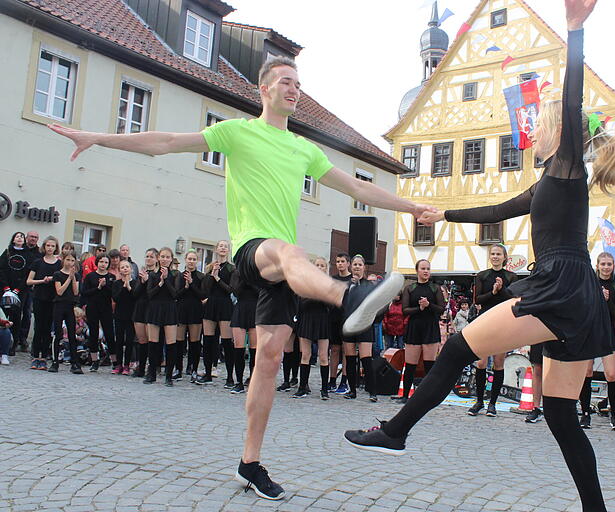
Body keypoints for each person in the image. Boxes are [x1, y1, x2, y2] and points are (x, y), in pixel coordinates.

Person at [49, 53, 430, 499]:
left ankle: (250, 462)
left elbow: (358, 188)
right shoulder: (236, 132)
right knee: (289, 250)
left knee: (268, 360)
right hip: (254, 249)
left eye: (298, 84)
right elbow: (167, 141)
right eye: (285, 82)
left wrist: (413, 208)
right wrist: (96, 137)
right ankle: (349, 299)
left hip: (282, 274)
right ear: (264, 89)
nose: (294, 89)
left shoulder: (305, 149)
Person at [345, 3, 615, 510]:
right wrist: (442, 216)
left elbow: (571, 103)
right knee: (561, 415)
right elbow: (497, 207)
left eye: (538, 126)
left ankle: (396, 430)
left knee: (456, 350)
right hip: (580, 299)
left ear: (557, 135)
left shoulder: (566, 167)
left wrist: (575, 30)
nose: (532, 132)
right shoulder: (547, 183)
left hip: (558, 286)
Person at [577, 252, 615, 430]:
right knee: (587, 372)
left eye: (609, 264)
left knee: (612, 374)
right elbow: (582, 308)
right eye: (603, 264)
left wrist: (606, 300)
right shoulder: (589, 284)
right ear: (597, 266)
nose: (606, 267)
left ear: (613, 266)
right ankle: (585, 414)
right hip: (589, 331)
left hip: (607, 331)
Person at [467, 245, 517, 417]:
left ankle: (493, 403)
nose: (495, 257)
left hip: (503, 321)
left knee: (498, 363)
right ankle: (479, 401)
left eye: (498, 254)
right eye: (493, 254)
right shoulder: (482, 276)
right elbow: (478, 299)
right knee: (480, 362)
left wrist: (501, 290)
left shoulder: (511, 276)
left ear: (504, 257)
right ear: (490, 257)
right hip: (485, 320)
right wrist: (493, 291)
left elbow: (512, 299)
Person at [394, 259, 445, 404]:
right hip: (414, 327)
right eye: (423, 268)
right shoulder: (410, 288)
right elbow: (404, 310)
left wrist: (429, 305)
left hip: (430, 326)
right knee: (410, 364)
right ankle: (405, 395)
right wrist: (420, 308)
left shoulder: (435, 288)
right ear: (417, 270)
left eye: (428, 268)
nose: (426, 271)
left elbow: (441, 309)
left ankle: (428, 396)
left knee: (429, 364)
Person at [342, 255, 379, 402]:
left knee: (366, 358)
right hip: (349, 325)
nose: (357, 267)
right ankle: (352, 390)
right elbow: (342, 304)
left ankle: (372, 391)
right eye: (355, 264)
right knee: (350, 358)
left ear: (364, 267)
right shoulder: (346, 285)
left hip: (364, 325)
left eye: (360, 265)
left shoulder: (369, 286)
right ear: (351, 267)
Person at [294, 257, 332, 399]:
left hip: (322, 320)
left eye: (322, 265)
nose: (319, 267)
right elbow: (301, 303)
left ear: (325, 268)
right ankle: (302, 387)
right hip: (307, 319)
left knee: (323, 356)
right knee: (305, 355)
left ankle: (324, 389)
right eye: (317, 265)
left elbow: (331, 304)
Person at [199, 241, 235, 387]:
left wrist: (217, 278)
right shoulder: (210, 267)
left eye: (225, 246)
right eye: (220, 246)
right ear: (216, 249)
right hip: (211, 304)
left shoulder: (231, 269)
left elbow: (230, 289)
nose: (222, 248)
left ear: (228, 250)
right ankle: (208, 373)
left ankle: (230, 378)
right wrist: (212, 274)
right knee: (208, 340)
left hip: (225, 305)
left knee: (227, 342)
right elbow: (205, 289)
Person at [26, 236, 62, 371]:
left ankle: (44, 358)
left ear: (55, 248)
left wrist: (53, 278)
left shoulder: (59, 264)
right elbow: (29, 281)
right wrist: (43, 281)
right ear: (44, 247)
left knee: (47, 329)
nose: (50, 248)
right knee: (38, 328)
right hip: (39, 297)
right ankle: (35, 356)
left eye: (53, 246)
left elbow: (63, 278)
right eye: (48, 246)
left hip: (53, 299)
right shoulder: (38, 262)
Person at [145, 247, 179, 386]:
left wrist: (166, 280)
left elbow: (175, 294)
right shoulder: (152, 275)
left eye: (167, 257)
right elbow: (150, 294)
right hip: (155, 308)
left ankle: (169, 376)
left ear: (171, 259)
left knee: (171, 343)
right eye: (162, 256)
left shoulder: (176, 275)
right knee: (153, 343)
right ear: (158, 258)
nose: (165, 259)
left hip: (170, 309)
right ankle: (152, 373)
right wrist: (160, 282)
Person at [81, 254, 116, 372]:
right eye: (101, 261)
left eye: (106, 262)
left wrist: (105, 286)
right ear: (97, 263)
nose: (103, 264)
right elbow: (85, 292)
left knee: (110, 334)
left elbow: (113, 294)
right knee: (93, 334)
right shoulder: (90, 276)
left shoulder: (111, 277)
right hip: (93, 308)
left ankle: (114, 361)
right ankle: (94, 360)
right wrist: (98, 287)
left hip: (106, 309)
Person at [0, 232, 34, 354]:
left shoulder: (28, 255)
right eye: (17, 236)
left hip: (20, 290)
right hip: (5, 289)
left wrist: (18, 289)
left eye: (22, 237)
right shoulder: (7, 252)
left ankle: (12, 345)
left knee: (16, 316)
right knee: (3, 315)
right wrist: (6, 287)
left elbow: (28, 273)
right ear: (13, 239)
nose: (20, 238)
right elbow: (1, 270)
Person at [175, 250, 206, 382]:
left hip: (195, 310)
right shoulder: (179, 276)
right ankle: (178, 369)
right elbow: (176, 294)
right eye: (189, 259)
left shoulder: (201, 276)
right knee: (179, 341)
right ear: (185, 260)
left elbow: (202, 295)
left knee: (194, 342)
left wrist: (192, 284)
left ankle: (193, 369)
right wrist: (186, 287)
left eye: (194, 259)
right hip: (181, 309)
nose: (191, 261)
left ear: (197, 261)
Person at [51, 251, 81, 373]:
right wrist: (68, 278)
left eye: (72, 260)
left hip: (70, 306)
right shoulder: (57, 274)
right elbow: (59, 291)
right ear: (63, 260)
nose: (70, 263)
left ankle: (74, 363)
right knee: (58, 334)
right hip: (59, 305)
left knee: (72, 334)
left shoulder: (76, 275)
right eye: (68, 260)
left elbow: (75, 292)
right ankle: (54, 362)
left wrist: (73, 278)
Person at [230, 267, 258, 394]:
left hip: (255, 309)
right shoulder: (237, 272)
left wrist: (251, 279)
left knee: (254, 348)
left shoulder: (259, 272)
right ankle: (239, 382)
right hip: (240, 309)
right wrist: (245, 278)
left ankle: (253, 380)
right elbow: (235, 291)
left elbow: (261, 291)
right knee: (238, 348)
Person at [131, 249, 158, 378]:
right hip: (140, 307)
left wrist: (148, 281)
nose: (148, 259)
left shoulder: (157, 274)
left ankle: (152, 367)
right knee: (141, 340)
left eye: (151, 257)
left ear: (156, 259)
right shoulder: (142, 273)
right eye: (146, 256)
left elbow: (152, 294)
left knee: (151, 340)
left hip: (151, 308)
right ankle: (141, 368)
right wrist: (142, 282)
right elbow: (135, 293)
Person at [329, 253, 353, 394]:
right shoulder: (333, 279)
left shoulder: (352, 280)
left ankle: (344, 381)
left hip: (347, 318)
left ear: (348, 263)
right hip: (334, 317)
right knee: (334, 349)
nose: (340, 264)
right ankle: (332, 380)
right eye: (338, 261)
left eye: (342, 261)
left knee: (346, 349)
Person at [112, 260, 137, 376]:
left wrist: (129, 287)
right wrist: (123, 287)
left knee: (129, 341)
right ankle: (118, 364)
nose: (125, 269)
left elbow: (135, 297)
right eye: (122, 267)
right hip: (119, 315)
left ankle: (127, 364)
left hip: (131, 315)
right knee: (119, 340)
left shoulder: (136, 283)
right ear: (119, 270)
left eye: (127, 267)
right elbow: (116, 298)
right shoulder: (116, 284)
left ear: (131, 269)